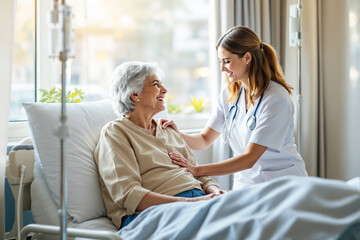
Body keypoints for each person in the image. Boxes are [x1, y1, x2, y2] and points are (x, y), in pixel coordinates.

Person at [160, 26, 308, 190]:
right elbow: (204, 140)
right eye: (220, 62)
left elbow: (249, 158)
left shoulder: (276, 99)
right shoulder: (229, 93)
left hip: (281, 184)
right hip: (246, 184)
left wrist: (196, 170)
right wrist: (175, 133)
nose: (222, 68)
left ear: (247, 58)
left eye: (227, 61)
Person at [94, 61, 224, 230]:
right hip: (151, 213)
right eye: (156, 84)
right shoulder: (116, 133)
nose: (164, 90)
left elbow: (200, 176)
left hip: (195, 202)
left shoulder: (168, 130)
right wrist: (189, 203)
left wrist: (216, 193)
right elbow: (128, 195)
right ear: (135, 94)